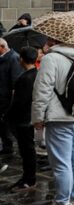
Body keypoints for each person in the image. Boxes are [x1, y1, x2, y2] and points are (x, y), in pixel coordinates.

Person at [32, 39, 74, 205]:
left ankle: (61, 204)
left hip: (60, 117)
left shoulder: (51, 59)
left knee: (61, 163)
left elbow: (42, 90)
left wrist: (37, 117)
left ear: (55, 39)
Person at [7, 47, 38, 191]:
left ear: (21, 59)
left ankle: (29, 179)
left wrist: (8, 115)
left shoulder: (25, 78)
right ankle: (28, 177)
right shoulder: (37, 74)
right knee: (27, 150)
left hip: (24, 119)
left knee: (27, 150)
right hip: (31, 116)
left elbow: (19, 102)